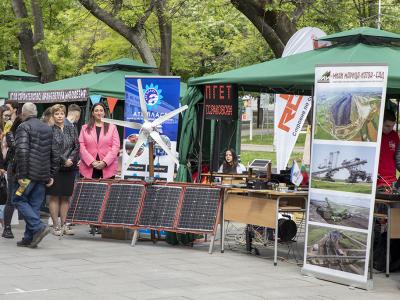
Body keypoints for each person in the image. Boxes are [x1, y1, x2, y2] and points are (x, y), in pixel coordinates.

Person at [13, 102, 59, 248]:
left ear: (24, 113)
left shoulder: (23, 127)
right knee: (33, 206)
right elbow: (55, 154)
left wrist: (21, 175)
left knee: (18, 199)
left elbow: (22, 151)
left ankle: (38, 227)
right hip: (42, 175)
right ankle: (29, 238)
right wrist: (51, 174)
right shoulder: (47, 128)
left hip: (27, 176)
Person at [47, 104, 79, 236]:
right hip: (55, 167)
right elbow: (52, 148)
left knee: (66, 197)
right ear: (53, 116)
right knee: (54, 197)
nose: (59, 116)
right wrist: (64, 160)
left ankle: (64, 224)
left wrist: (71, 159)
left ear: (65, 114)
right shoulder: (49, 129)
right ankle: (56, 226)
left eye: (61, 113)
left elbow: (76, 145)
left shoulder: (71, 128)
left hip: (69, 168)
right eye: (57, 114)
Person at [79, 102, 120, 179]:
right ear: (92, 113)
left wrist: (105, 162)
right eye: (96, 110)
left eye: (101, 110)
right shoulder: (84, 128)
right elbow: (81, 147)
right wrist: (92, 162)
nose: (99, 113)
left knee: (106, 190)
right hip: (88, 167)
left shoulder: (112, 128)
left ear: (104, 113)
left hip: (108, 167)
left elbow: (116, 147)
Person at [1, 116, 23, 239]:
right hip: (14, 170)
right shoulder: (11, 134)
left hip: (27, 171)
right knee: (11, 198)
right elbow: (15, 147)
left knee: (22, 197)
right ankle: (7, 228)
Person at [378, 110, 400, 188]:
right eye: (387, 126)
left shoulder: (394, 135)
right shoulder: (374, 135)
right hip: (377, 182)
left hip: (392, 181)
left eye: (392, 125)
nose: (390, 129)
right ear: (380, 122)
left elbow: (398, 158)